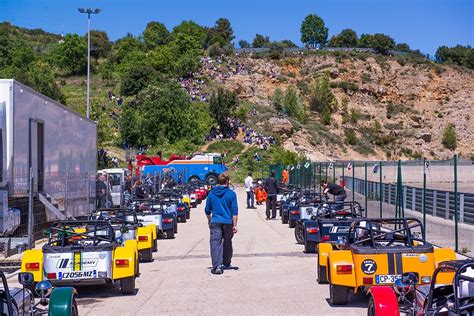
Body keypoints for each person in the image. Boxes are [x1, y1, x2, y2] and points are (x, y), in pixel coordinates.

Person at [205, 173, 238, 275]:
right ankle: (226, 263)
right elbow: (234, 211)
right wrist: (235, 225)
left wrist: (209, 220)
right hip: (228, 222)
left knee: (215, 243)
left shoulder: (211, 193)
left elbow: (207, 210)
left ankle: (217, 266)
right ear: (227, 181)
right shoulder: (231, 194)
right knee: (227, 241)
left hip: (215, 221)